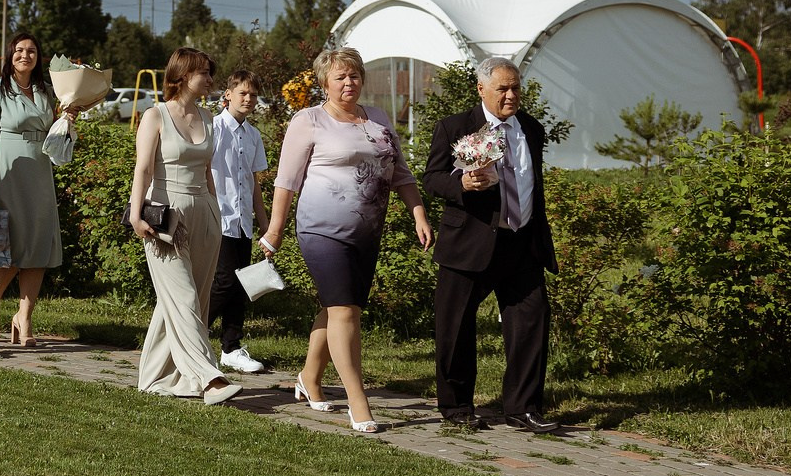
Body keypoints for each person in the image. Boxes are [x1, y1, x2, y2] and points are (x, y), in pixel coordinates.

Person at [262, 45, 433, 434]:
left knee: (339, 306)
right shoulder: (308, 120)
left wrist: (418, 214)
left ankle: (308, 377)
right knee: (345, 311)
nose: (348, 82)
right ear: (325, 83)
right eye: (339, 76)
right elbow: (287, 181)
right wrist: (275, 229)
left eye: (354, 75)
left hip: (366, 231)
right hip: (321, 229)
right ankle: (358, 401)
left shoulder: (378, 118)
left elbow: (401, 173)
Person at [422, 57, 561, 433]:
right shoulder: (455, 127)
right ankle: (456, 407)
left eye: (516, 87)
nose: (511, 95)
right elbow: (432, 178)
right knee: (455, 327)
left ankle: (522, 407)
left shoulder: (531, 129)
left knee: (532, 323)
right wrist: (461, 185)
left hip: (522, 243)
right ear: (481, 89)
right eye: (502, 89)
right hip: (470, 242)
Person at [126, 48, 245, 405]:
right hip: (166, 214)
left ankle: (153, 376)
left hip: (206, 212)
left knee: (190, 299)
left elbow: (208, 171)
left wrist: (217, 213)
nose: (210, 79)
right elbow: (143, 169)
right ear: (182, 75)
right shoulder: (155, 115)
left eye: (210, 72)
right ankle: (210, 379)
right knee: (183, 297)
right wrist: (136, 214)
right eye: (203, 73)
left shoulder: (208, 117)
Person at [0, 32, 68, 345]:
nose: (25, 55)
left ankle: (24, 318)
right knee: (9, 244)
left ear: (38, 57)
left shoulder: (46, 92)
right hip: (6, 172)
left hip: (39, 173)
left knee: (37, 244)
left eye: (31, 51)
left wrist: (68, 117)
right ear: (10, 55)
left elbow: (54, 134)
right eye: (19, 50)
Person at [206, 69, 268, 374]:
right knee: (224, 281)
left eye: (253, 95)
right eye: (242, 93)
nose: (248, 99)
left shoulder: (253, 135)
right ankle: (190, 331)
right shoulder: (213, 128)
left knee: (240, 285)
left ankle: (231, 347)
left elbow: (253, 183)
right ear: (227, 94)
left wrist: (266, 224)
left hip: (243, 221)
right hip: (217, 217)